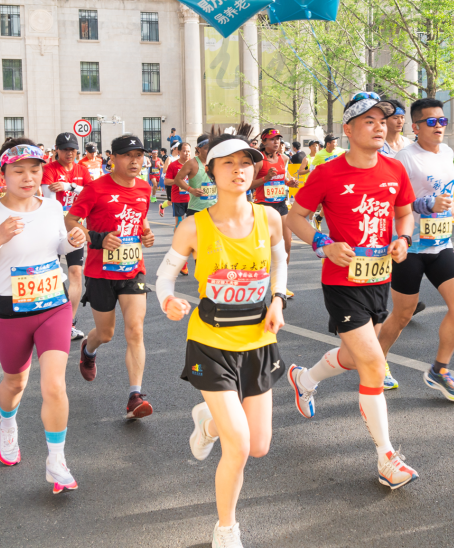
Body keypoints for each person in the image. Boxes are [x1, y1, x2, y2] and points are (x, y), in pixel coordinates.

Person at [155, 132, 286, 548]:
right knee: (240, 446)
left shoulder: (269, 218)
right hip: (210, 344)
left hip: (258, 342)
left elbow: (280, 260)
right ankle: (226, 528)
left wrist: (278, 299)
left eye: (246, 163)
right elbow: (164, 277)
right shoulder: (193, 226)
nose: (238, 170)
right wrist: (168, 300)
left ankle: (208, 422)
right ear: (210, 170)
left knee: (259, 445)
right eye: (228, 163)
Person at [285, 92, 420, 490]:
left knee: (354, 355)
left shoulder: (394, 170)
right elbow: (296, 217)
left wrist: (404, 239)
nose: (380, 127)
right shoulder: (327, 173)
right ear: (348, 129)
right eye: (369, 121)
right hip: (342, 283)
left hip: (378, 279)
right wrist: (323, 243)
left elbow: (404, 214)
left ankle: (304, 380)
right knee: (374, 364)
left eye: (383, 121)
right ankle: (386, 458)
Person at [0, 138, 87, 494]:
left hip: (53, 306)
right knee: (15, 383)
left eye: (34, 170)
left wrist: (73, 241)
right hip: (10, 312)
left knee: (54, 385)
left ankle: (56, 461)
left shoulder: (53, 207)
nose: (28, 178)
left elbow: (57, 247)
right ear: (3, 174)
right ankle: (7, 425)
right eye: (19, 171)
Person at [381, 97, 454, 401]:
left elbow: (444, 192)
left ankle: (439, 370)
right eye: (431, 122)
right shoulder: (404, 158)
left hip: (441, 243)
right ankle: (377, 359)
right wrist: (426, 204)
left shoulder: (447, 153)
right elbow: (393, 203)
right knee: (402, 315)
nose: (439, 126)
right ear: (416, 126)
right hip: (410, 246)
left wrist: (450, 206)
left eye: (442, 121)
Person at [66, 135, 157, 419]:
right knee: (106, 334)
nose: (135, 161)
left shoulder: (145, 187)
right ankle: (88, 349)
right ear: (113, 158)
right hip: (100, 272)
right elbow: (70, 220)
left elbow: (141, 218)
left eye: (139, 155)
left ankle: (135, 396)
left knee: (136, 330)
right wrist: (98, 238)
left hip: (132, 269)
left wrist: (146, 233)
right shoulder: (95, 189)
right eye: (128, 155)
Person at [41, 132, 95, 343]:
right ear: (57, 150)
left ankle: (69, 323)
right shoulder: (49, 170)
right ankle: (54, 319)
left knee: (75, 272)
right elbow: (48, 199)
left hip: (74, 228)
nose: (69, 153)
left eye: (72, 149)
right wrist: (74, 190)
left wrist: (69, 186)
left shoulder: (82, 170)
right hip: (52, 229)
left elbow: (92, 193)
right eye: (65, 149)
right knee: (53, 274)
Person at [250, 128, 299, 299]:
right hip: (263, 206)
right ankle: (258, 282)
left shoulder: (283, 158)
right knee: (263, 247)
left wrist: (291, 182)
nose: (276, 142)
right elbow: (249, 184)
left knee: (287, 245)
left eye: (278, 139)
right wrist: (266, 178)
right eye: (272, 139)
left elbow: (284, 178)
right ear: (264, 142)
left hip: (280, 205)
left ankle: (281, 284)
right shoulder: (259, 161)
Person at [175, 136, 218, 218]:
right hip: (196, 209)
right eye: (206, 148)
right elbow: (177, 179)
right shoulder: (191, 163)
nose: (209, 151)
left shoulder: (215, 163)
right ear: (198, 149)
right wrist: (191, 190)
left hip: (214, 208)